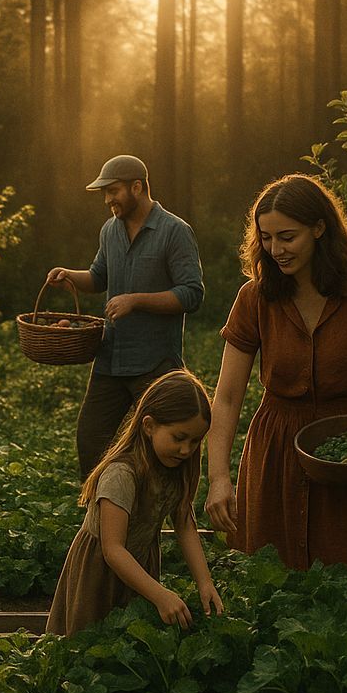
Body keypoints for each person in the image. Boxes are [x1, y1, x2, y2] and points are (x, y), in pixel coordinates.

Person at [205, 174, 347, 603]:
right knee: (273, 584)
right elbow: (227, 396)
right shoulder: (255, 298)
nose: (276, 249)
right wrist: (218, 477)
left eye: (288, 236)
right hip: (276, 447)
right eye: (266, 238)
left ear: (320, 228)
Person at [47, 153, 205, 481]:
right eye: (105, 193)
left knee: (164, 449)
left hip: (156, 362)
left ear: (137, 187)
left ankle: (162, 516)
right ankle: (99, 514)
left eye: (113, 191)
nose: (108, 199)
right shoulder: (110, 231)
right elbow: (98, 277)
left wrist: (136, 301)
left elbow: (192, 294)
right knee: (92, 442)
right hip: (112, 358)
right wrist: (69, 276)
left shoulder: (175, 231)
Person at [47, 369, 224, 636]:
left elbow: (185, 525)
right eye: (179, 438)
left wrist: (205, 582)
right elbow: (113, 550)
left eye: (195, 441)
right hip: (100, 573)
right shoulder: (121, 474)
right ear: (149, 425)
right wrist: (160, 594)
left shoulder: (176, 469)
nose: (187, 450)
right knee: (90, 644)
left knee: (129, 643)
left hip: (140, 566)